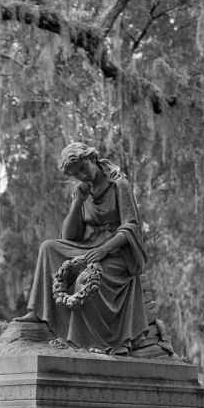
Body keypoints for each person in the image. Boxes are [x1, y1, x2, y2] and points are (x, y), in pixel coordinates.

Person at [14, 142, 148, 355]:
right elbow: (69, 236)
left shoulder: (118, 184)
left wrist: (104, 250)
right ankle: (39, 312)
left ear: (92, 158)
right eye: (75, 174)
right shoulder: (84, 192)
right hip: (90, 245)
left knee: (84, 281)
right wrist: (78, 202)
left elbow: (131, 226)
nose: (81, 176)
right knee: (48, 247)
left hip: (116, 250)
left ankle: (92, 340)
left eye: (82, 168)